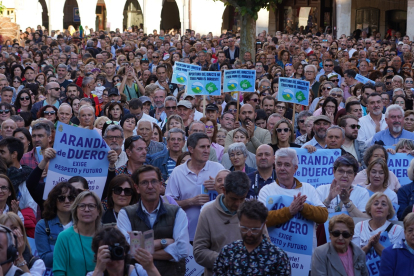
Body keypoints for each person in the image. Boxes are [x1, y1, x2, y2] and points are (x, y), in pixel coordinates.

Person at [117, 165, 189, 275]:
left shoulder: (177, 212)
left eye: (154, 181)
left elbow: (182, 250)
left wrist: (140, 250)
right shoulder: (126, 213)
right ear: (137, 188)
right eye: (145, 182)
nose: (150, 186)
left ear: (160, 185)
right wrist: (163, 242)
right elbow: (126, 249)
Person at [166, 132, 225, 242]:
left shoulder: (218, 169)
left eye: (208, 146)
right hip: (187, 235)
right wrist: (190, 202)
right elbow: (168, 205)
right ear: (191, 149)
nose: (207, 150)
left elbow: (232, 197)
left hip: (215, 234)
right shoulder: (178, 172)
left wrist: (219, 187)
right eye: (202, 147)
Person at [193, 171, 251, 276]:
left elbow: (265, 244)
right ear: (223, 191)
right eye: (233, 199)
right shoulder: (208, 213)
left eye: (242, 199)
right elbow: (199, 252)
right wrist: (227, 260)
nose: (238, 204)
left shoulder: (252, 211)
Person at [213, 199, 291, 275]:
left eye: (254, 229)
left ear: (263, 225)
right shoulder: (228, 252)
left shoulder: (278, 257)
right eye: (244, 228)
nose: (249, 233)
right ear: (239, 223)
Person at [258, 148, 328, 227]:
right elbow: (260, 219)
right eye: (279, 164)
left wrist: (303, 207)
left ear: (295, 168)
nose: (282, 168)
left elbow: (323, 215)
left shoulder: (308, 188)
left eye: (287, 165)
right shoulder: (266, 190)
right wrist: (289, 211)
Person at [352, 192, 405, 275]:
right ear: (369, 209)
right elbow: (353, 257)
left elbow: (396, 260)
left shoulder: (397, 230)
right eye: (376, 204)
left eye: (384, 204)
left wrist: (376, 244)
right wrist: (368, 246)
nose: (379, 206)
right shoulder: (360, 226)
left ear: (389, 211)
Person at [53, 191, 104, 276]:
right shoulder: (64, 237)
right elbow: (59, 272)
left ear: (98, 211)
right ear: (75, 210)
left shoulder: (106, 237)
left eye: (91, 206)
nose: (86, 209)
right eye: (82, 206)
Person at [34, 182, 78, 268]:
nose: (67, 201)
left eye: (71, 197)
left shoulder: (81, 223)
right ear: (54, 201)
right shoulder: (43, 225)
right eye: (62, 198)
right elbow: (45, 260)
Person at [89, 227, 160, 276]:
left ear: (124, 251)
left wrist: (150, 268)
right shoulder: (93, 274)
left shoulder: (138, 271)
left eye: (116, 250)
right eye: (107, 251)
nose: (112, 256)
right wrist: (98, 270)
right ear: (97, 254)